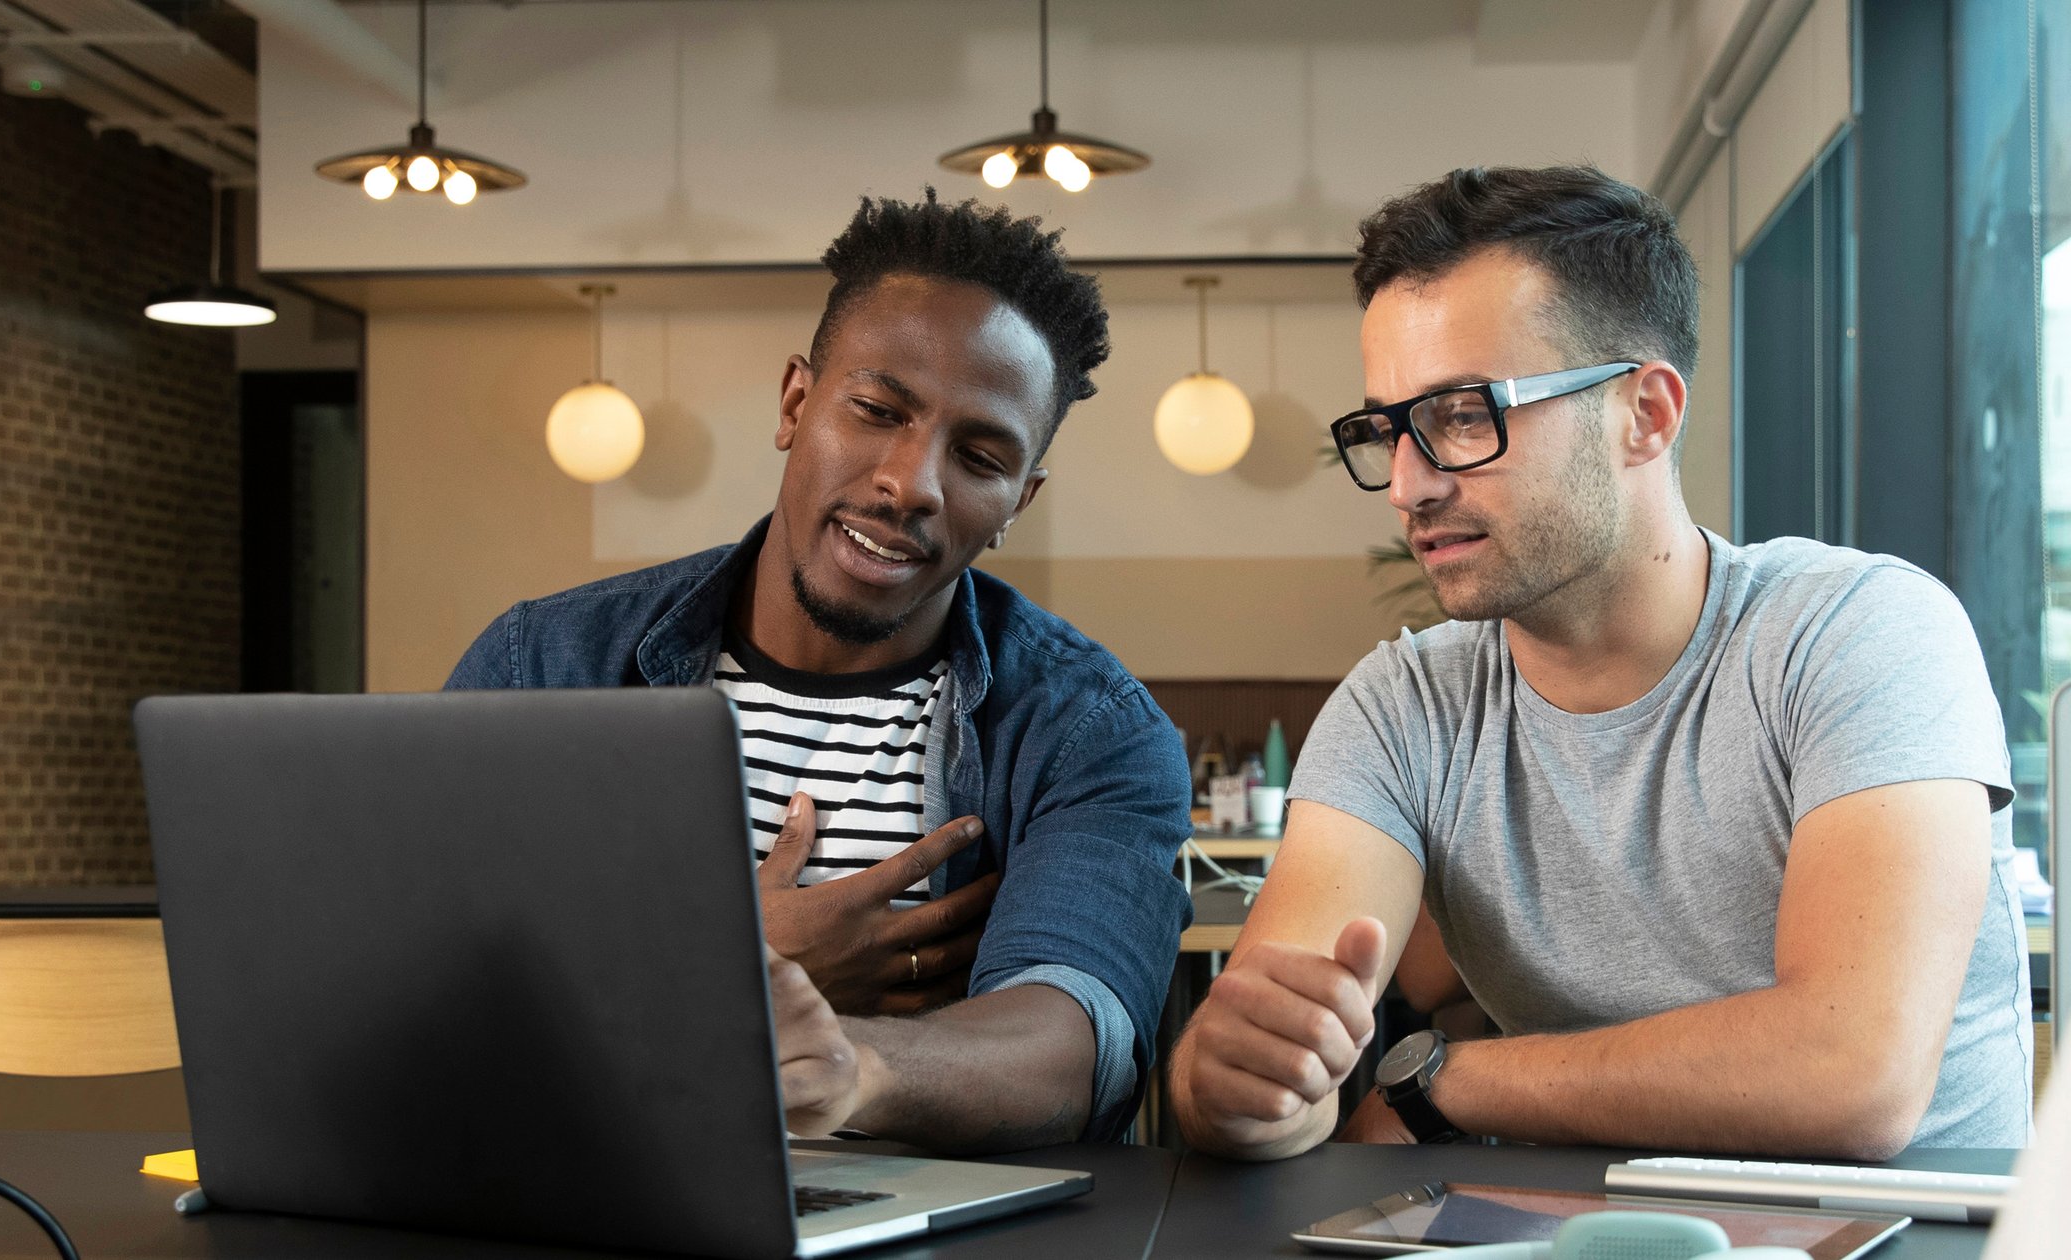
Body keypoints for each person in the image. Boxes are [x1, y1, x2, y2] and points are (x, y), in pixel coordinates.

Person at [1169, 165, 2032, 1159]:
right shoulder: (1402, 707)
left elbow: (1849, 1076)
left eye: (1459, 415)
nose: (1405, 486)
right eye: (1386, 430)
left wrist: (1439, 1082)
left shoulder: (1857, 632)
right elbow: (1270, 1064)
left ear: (1644, 414)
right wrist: (1234, 1084)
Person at [447, 191, 1191, 1153]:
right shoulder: (540, 665)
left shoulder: (1091, 729)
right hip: (585, 1190)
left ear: (1018, 500)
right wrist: (723, 965)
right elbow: (429, 977)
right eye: (878, 410)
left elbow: (1073, 1043)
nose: (911, 483)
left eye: (979, 456)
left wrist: (851, 1068)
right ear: (796, 403)